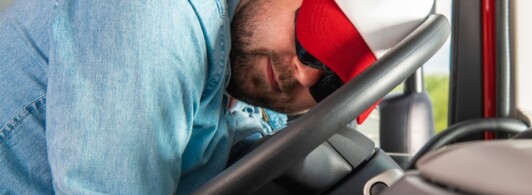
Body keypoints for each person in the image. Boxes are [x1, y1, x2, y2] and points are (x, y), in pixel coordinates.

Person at [0, 0, 433, 193]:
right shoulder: (159, 15)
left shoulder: (246, 76)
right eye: (308, 42)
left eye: (330, 84)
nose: (302, 73)